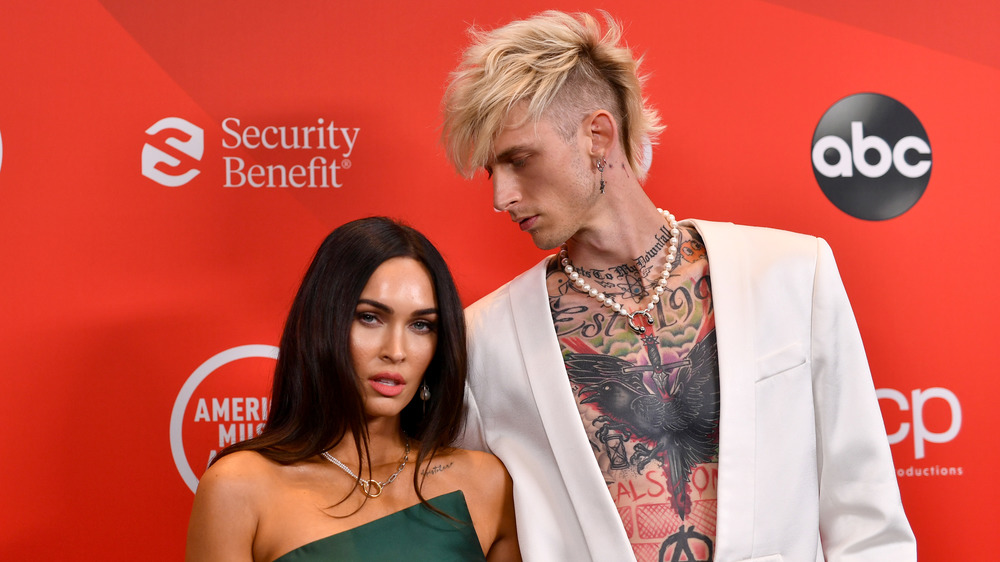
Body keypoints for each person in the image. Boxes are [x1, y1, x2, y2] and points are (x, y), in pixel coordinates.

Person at [441, 10, 915, 562]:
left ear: (597, 135)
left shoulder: (790, 273)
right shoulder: (483, 340)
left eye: (519, 160)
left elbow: (868, 520)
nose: (501, 196)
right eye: (491, 173)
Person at [185, 217, 520, 561]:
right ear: (322, 322)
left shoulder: (487, 484)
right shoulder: (239, 487)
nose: (396, 350)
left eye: (421, 325)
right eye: (370, 317)